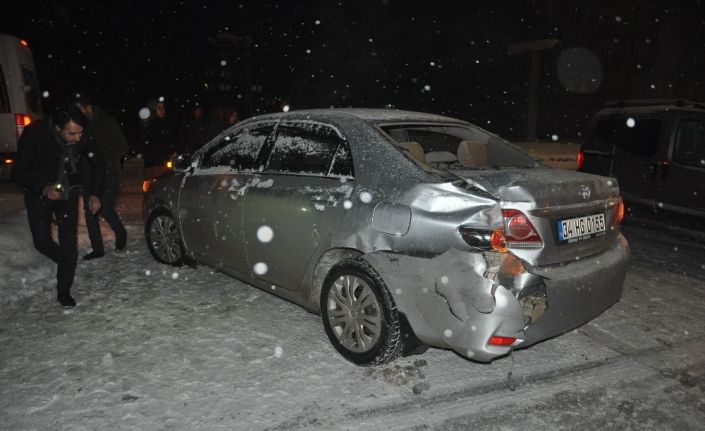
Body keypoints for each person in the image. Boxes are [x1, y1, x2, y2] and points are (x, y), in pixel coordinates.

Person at [12, 104, 106, 306]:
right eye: (72, 134)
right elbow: (18, 172)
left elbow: (99, 163)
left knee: (68, 241)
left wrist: (95, 194)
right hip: (39, 194)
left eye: (80, 133)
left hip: (68, 192)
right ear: (57, 128)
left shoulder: (82, 133)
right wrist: (44, 188)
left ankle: (64, 291)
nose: (78, 138)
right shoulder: (35, 133)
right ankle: (66, 262)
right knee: (41, 242)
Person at [73, 95, 129, 260]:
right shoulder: (81, 126)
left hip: (110, 173)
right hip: (88, 174)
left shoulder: (106, 122)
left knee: (104, 207)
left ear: (88, 108)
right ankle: (97, 249)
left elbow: (123, 146)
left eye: (80, 109)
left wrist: (106, 160)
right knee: (90, 211)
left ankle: (121, 233)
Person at [141, 98, 176, 180]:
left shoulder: (164, 122)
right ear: (154, 110)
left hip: (162, 163)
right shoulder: (151, 124)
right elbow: (157, 142)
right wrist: (170, 151)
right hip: (155, 164)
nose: (161, 110)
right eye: (158, 108)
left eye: (163, 108)